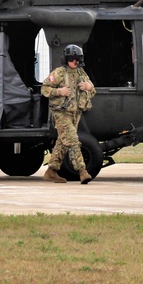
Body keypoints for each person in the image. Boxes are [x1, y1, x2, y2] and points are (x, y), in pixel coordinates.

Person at [40, 44, 96, 184]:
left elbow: (92, 90)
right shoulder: (58, 73)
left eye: (77, 59)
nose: (75, 62)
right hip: (61, 113)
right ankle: (82, 171)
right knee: (72, 140)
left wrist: (89, 87)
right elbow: (44, 89)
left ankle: (51, 170)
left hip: (75, 113)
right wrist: (59, 92)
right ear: (66, 59)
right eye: (72, 59)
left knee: (63, 141)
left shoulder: (81, 73)